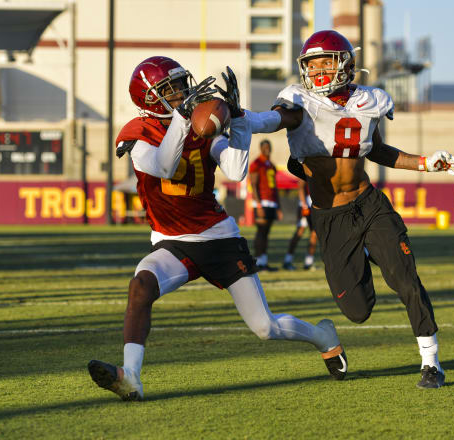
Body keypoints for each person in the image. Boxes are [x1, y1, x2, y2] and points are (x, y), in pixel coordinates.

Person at [87, 57, 348, 402]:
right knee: (141, 286)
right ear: (150, 100)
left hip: (219, 238)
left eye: (181, 84)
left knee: (264, 327)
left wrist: (238, 121)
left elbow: (236, 170)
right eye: (171, 89)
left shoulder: (198, 128)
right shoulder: (138, 134)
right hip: (173, 242)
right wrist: (182, 121)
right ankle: (130, 377)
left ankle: (322, 336)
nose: (182, 93)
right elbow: (164, 166)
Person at [240, 30, 454, 389]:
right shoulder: (298, 101)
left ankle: (431, 363)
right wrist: (244, 119)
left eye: (324, 63)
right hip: (331, 218)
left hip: (369, 203)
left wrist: (425, 163)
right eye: (310, 65)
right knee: (357, 311)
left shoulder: (370, 99)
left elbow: (377, 150)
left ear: (345, 64)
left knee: (405, 277)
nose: (316, 72)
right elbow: (273, 120)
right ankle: (361, 257)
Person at [248, 139, 282, 271]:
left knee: (266, 233)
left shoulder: (271, 165)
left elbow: (275, 187)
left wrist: (278, 206)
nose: (267, 149)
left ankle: (263, 261)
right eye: (265, 147)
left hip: (272, 201)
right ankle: (257, 262)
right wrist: (258, 204)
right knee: (261, 232)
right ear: (261, 148)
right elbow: (254, 184)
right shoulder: (257, 163)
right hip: (262, 202)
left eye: (269, 147)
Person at [283, 179, 318, 271]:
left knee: (314, 234)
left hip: (315, 205)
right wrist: (304, 205)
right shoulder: (306, 168)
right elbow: (300, 187)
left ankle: (308, 262)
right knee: (299, 233)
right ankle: (288, 260)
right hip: (306, 206)